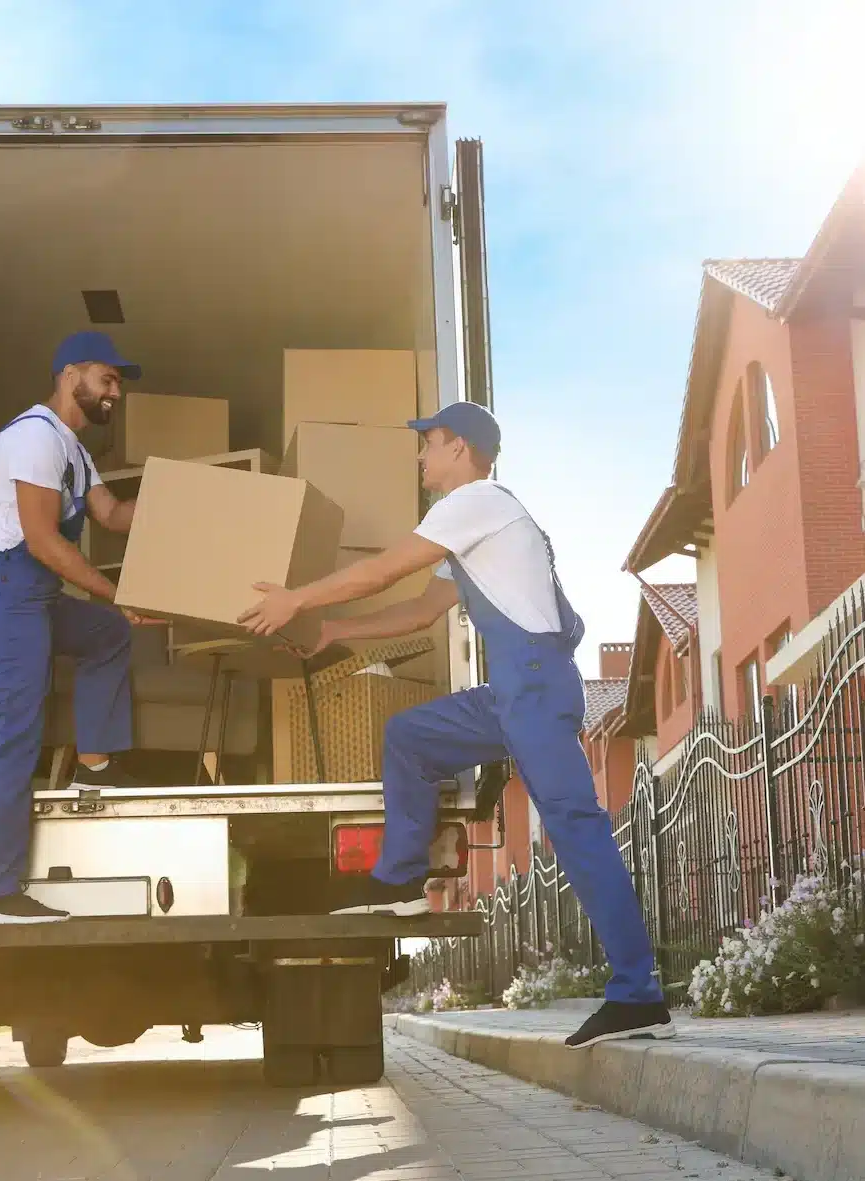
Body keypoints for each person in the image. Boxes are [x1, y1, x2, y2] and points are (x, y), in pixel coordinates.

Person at [239, 401, 673, 1049]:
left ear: (462, 450)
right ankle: (400, 882)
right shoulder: (474, 526)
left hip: (534, 686)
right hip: (513, 692)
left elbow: (386, 570)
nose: (421, 457)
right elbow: (419, 610)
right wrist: (334, 630)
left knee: (577, 830)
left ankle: (637, 992)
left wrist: (295, 599)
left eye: (429, 444)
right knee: (411, 736)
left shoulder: (480, 501)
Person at [0, 331, 155, 922]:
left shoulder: (74, 450)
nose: (115, 391)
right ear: (71, 375)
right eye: (107, 378)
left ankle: (96, 766)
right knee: (13, 734)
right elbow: (42, 541)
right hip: (4, 592)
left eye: (118, 383)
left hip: (32, 596)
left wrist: (188, 503)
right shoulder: (34, 438)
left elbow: (113, 514)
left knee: (107, 635)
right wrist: (117, 593)